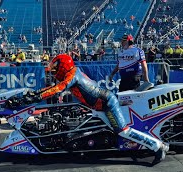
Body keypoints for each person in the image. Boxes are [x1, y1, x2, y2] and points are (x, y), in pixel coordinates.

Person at [22, 54, 169, 164]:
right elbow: (54, 87)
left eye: (55, 68)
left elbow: (58, 88)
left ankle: (158, 146)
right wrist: (36, 93)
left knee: (123, 131)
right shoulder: (72, 73)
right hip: (98, 105)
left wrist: (36, 97)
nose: (53, 72)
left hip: (107, 103)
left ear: (63, 66)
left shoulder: (71, 76)